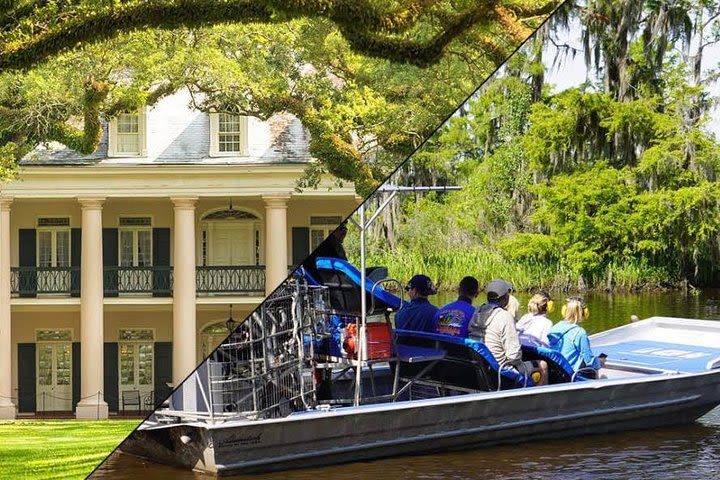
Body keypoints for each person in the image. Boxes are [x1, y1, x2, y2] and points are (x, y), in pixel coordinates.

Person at [468, 279, 546, 385]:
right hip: (500, 372)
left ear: (488, 297)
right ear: (505, 298)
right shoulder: (505, 316)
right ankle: (539, 400)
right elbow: (514, 356)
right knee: (542, 365)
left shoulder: (477, 311)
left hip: (479, 367)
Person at [547, 297, 606, 373]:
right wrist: (599, 361)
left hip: (555, 373)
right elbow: (589, 362)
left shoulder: (554, 328)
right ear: (583, 313)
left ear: (564, 311)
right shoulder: (579, 333)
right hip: (571, 375)